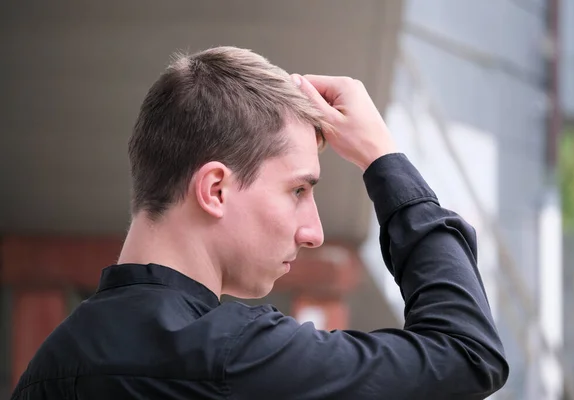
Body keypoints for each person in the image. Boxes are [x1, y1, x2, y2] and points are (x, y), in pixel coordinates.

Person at [11, 46, 509, 399]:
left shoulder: (45, 370)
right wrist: (382, 157)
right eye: (298, 190)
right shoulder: (234, 357)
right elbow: (467, 352)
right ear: (215, 189)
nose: (312, 232)